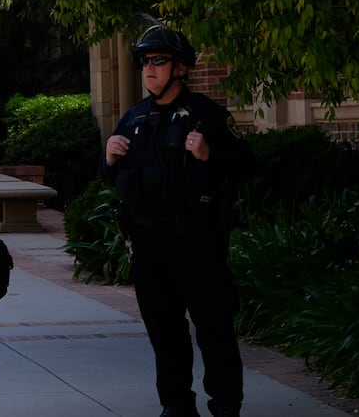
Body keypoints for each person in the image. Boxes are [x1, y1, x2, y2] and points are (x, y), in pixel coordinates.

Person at [103, 23, 256, 417]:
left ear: (181, 68)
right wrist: (108, 158)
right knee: (164, 335)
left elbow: (247, 165)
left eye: (158, 61)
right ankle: (176, 407)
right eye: (144, 62)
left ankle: (225, 407)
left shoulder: (207, 116)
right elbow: (115, 178)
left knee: (215, 331)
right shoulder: (133, 119)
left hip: (198, 244)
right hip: (150, 247)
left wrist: (210, 155)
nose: (149, 69)